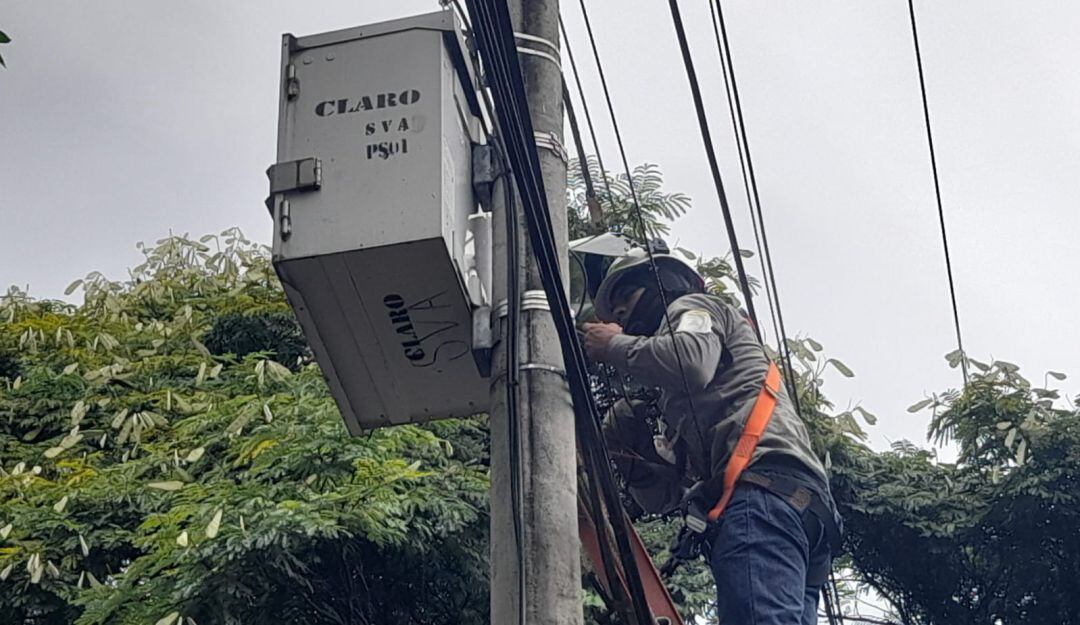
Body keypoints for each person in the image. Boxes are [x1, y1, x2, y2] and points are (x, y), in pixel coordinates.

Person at [582, 244, 841, 625]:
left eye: (625, 296)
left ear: (662, 282)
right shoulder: (688, 403)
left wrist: (613, 345)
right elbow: (663, 498)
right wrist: (633, 460)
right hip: (795, 506)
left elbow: (692, 361)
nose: (619, 313)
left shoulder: (694, 308)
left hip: (764, 496)